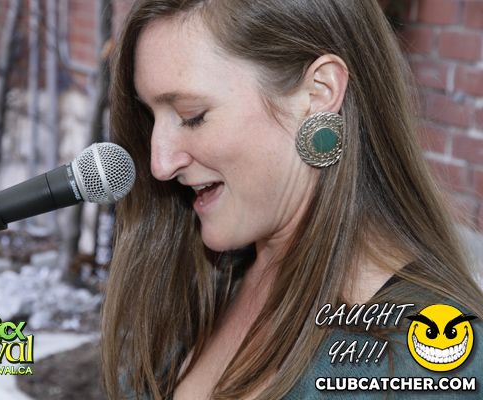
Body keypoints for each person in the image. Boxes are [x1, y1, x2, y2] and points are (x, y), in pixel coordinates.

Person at [101, 0, 483, 399]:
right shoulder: (208, 276)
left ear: (319, 92)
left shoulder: (430, 357)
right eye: (152, 117)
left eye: (191, 115)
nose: (160, 164)